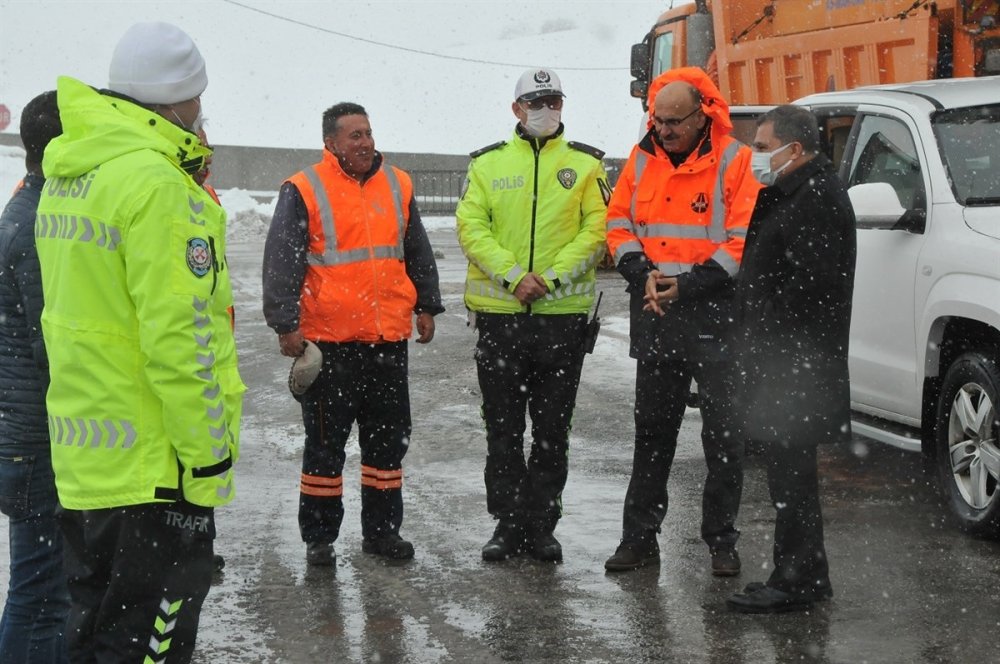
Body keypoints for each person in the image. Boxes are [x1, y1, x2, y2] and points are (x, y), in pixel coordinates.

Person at [35, 22, 245, 662]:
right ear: (177, 99)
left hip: (88, 461)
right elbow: (182, 337)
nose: (201, 110)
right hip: (155, 470)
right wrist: (208, 461)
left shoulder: (74, 174)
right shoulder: (157, 185)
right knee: (149, 646)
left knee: (92, 635)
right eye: (198, 96)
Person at [262, 102, 443, 566]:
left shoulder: (398, 184)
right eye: (354, 136)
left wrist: (426, 304)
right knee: (326, 447)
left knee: (387, 445)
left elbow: (416, 248)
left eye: (368, 133)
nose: (365, 143)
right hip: (330, 344)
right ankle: (319, 538)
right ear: (331, 143)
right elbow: (282, 258)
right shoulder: (304, 188)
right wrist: (285, 323)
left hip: (387, 342)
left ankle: (383, 533)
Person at [602, 67, 760, 574]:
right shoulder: (641, 158)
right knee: (652, 434)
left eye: (673, 122)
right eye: (658, 120)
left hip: (716, 316)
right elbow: (618, 222)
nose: (663, 130)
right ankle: (638, 539)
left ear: (701, 116)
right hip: (657, 315)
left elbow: (744, 239)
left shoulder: (736, 161)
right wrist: (639, 271)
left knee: (723, 438)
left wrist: (688, 284)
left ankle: (721, 542)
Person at [456, 68, 609, 563]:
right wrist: (512, 275)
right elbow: (471, 227)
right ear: (517, 109)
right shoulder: (487, 164)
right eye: (537, 102)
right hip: (501, 317)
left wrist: (552, 278)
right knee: (503, 430)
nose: (547, 110)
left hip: (561, 318)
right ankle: (507, 523)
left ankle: (542, 525)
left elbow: (596, 230)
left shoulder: (586, 165)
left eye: (554, 101)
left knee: (551, 431)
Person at [726, 105, 856, 613]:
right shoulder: (794, 191)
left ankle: (797, 581)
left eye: (762, 147)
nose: (754, 156)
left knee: (792, 479)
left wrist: (763, 332)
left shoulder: (815, 197)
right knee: (787, 476)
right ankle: (802, 574)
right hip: (786, 361)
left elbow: (810, 287)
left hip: (796, 365)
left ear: (794, 149)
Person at [0, 90, 70, 663]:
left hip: (23, 431)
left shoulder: (29, 208)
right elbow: (54, 348)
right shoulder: (37, 227)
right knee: (42, 591)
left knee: (44, 586)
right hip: (33, 439)